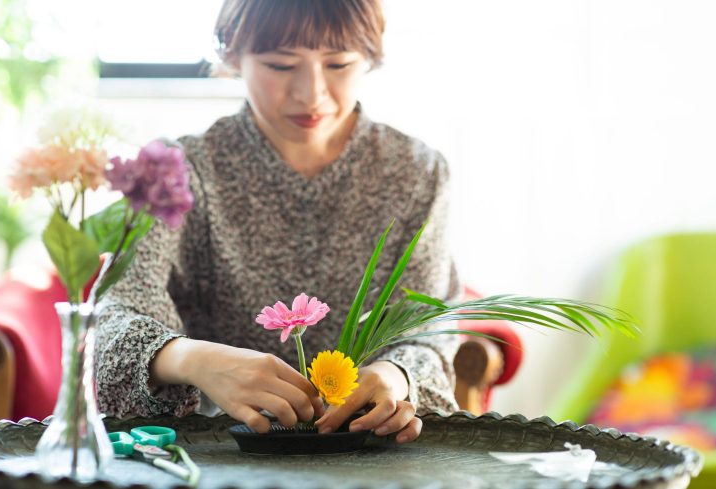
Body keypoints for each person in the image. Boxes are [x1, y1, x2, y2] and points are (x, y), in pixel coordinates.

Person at [95, 0, 460, 444]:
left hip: (368, 449)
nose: (312, 94)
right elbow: (113, 318)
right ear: (232, 57)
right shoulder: (181, 170)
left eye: (339, 63)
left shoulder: (417, 172)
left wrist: (395, 375)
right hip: (220, 451)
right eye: (281, 65)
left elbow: (429, 329)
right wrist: (196, 360)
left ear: (370, 58)